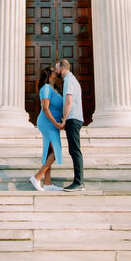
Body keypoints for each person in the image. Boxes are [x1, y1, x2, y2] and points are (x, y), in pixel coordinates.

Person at [30, 67, 64, 192]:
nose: (56, 72)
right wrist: (56, 123)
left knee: (49, 152)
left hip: (53, 123)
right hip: (47, 123)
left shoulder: (55, 89)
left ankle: (48, 184)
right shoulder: (45, 88)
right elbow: (45, 109)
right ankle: (37, 177)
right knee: (55, 152)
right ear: (49, 75)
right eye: (53, 71)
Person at [55, 59, 85, 191]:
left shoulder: (68, 80)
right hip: (75, 118)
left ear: (62, 68)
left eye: (56, 68)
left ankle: (79, 182)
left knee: (75, 150)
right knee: (74, 150)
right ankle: (78, 181)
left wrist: (64, 119)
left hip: (73, 118)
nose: (56, 71)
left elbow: (68, 100)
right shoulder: (72, 80)